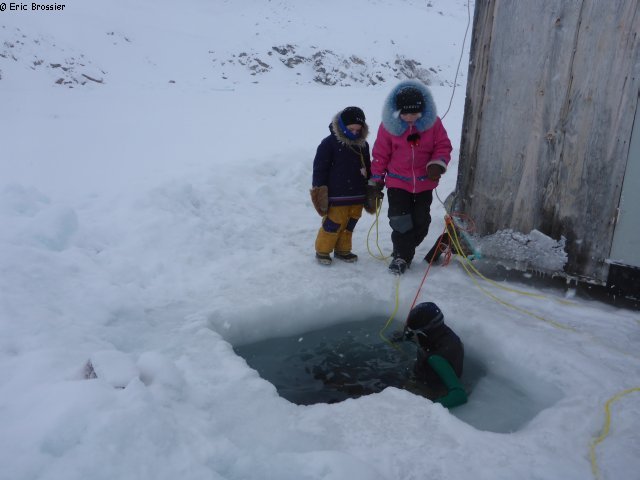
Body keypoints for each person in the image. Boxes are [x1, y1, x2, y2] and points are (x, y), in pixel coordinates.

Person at [368, 79, 453, 274]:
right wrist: (376, 180)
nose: (410, 118)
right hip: (398, 182)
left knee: (421, 222)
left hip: (424, 184)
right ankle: (401, 257)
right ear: (398, 111)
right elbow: (380, 155)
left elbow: (443, 146)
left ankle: (404, 250)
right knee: (400, 221)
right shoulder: (388, 127)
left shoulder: (433, 124)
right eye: (405, 113)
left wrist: (437, 164)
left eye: (414, 113)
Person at [311, 106, 374, 265]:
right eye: (351, 129)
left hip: (357, 195)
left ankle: (342, 250)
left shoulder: (363, 145)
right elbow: (320, 169)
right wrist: (320, 191)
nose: (354, 133)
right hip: (337, 195)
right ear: (341, 125)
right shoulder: (329, 143)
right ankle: (323, 251)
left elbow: (368, 166)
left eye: (358, 130)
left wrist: (371, 187)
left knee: (350, 224)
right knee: (333, 224)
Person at [393, 302, 467, 408]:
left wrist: (426, 408)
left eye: (413, 332)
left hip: (429, 389)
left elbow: (460, 395)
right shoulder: (443, 335)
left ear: (423, 334)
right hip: (429, 374)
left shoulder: (436, 358)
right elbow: (425, 339)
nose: (411, 334)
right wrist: (407, 336)